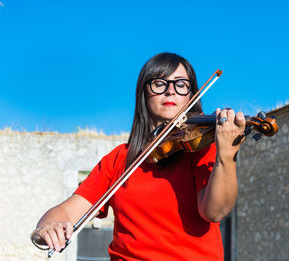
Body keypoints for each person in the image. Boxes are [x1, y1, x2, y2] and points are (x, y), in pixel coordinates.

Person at [31, 52, 246, 260]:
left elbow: (215, 211)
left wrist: (226, 154)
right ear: (144, 93)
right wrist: (47, 229)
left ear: (191, 95)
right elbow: (64, 213)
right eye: (160, 83)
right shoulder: (119, 160)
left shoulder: (199, 148)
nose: (170, 91)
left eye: (181, 84)